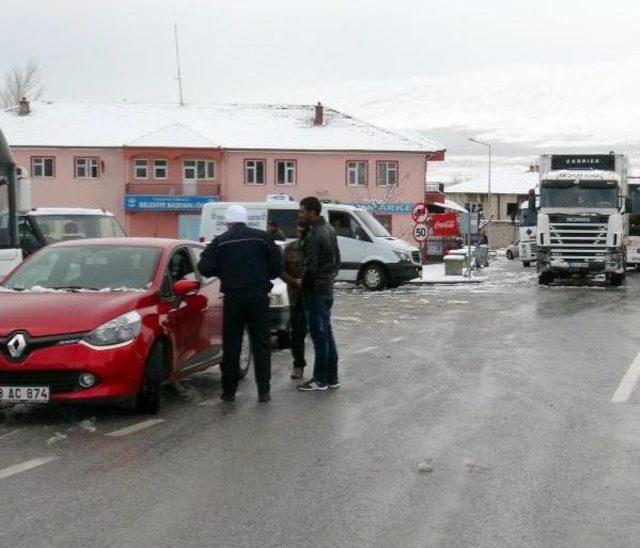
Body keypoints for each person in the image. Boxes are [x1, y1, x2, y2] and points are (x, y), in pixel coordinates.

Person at [197, 204, 282, 403]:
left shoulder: (220, 241)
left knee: (232, 344)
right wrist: (262, 276)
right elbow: (277, 267)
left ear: (228, 222)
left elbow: (204, 266)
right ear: (245, 219)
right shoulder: (263, 238)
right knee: (261, 343)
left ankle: (229, 392)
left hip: (233, 298)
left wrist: (224, 271)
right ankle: (264, 391)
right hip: (258, 297)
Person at [296, 196, 341, 392]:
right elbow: (337, 259)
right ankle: (332, 377)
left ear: (312, 212)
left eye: (302, 211)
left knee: (319, 334)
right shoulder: (330, 229)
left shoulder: (314, 233)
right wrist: (329, 278)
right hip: (327, 287)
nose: (300, 215)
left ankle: (320, 379)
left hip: (315, 290)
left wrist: (301, 284)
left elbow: (310, 266)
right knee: (327, 332)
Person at [281, 219, 309, 380]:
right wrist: (293, 281)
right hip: (295, 297)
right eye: (298, 231)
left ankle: (323, 369)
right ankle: (298, 365)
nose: (300, 234)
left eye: (303, 231)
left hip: (312, 295)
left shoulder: (314, 248)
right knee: (296, 333)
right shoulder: (290, 248)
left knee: (315, 331)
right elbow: (281, 270)